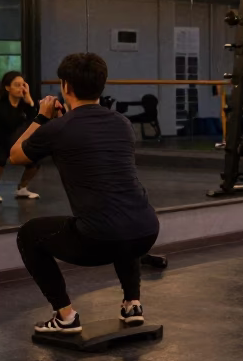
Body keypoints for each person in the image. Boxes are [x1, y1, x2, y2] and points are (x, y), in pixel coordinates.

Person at [9, 52, 160, 334]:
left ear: (66, 86)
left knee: (29, 234)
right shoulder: (123, 124)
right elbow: (85, 134)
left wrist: (42, 117)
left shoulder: (57, 127)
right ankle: (132, 303)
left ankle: (65, 316)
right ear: (101, 85)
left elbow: (16, 155)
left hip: (99, 241)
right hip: (147, 233)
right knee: (119, 214)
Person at [0, 71, 42, 204]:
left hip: (16, 143)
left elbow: (35, 121)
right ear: (8, 88)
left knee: (35, 158)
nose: (21, 88)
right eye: (17, 85)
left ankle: (22, 188)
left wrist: (30, 100)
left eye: (23, 85)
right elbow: (10, 123)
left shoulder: (25, 104)